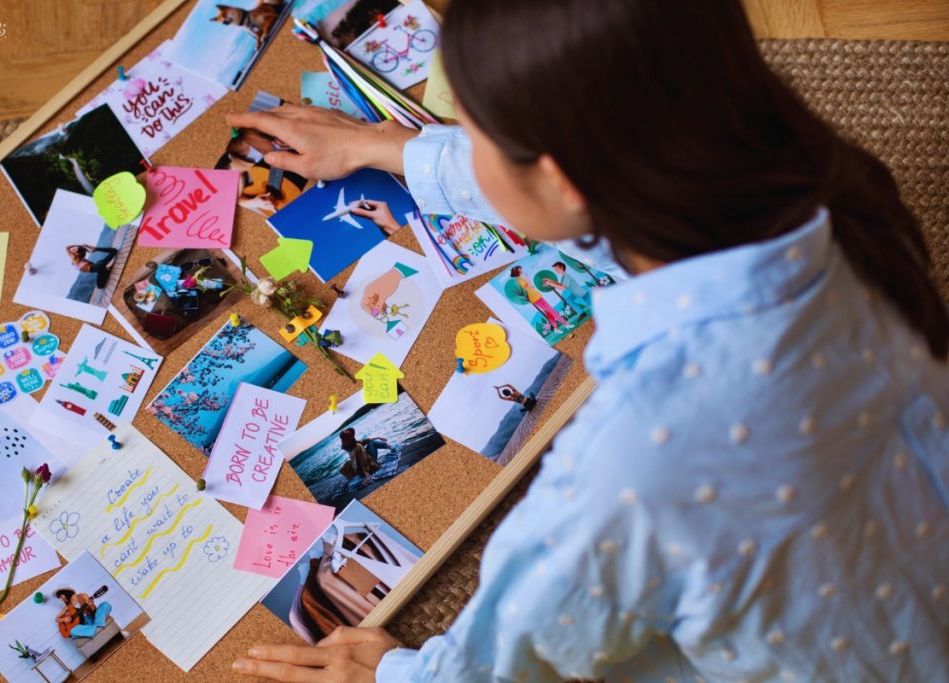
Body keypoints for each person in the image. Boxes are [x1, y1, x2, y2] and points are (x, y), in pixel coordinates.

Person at [229, 0, 949, 680]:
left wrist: (387, 669)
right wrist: (387, 147)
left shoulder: (632, 460)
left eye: (474, 135)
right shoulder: (831, 187)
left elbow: (508, 658)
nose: (463, 144)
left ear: (565, 178)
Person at [509, 265, 571, 333]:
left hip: (536, 296)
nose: (522, 270)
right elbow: (530, 286)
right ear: (518, 271)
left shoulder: (521, 279)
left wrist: (527, 279)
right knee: (551, 310)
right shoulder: (519, 281)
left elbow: (531, 287)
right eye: (520, 269)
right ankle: (565, 323)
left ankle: (556, 328)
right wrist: (527, 277)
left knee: (549, 312)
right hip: (534, 297)